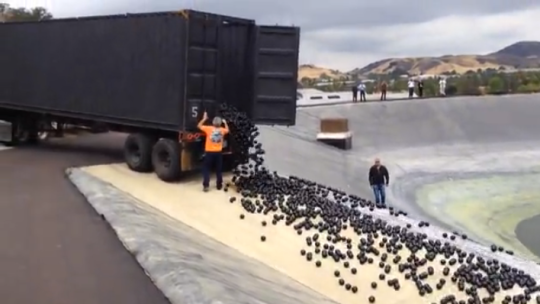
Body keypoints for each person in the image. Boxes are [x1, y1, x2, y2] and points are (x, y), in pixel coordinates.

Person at [197, 111, 229, 192]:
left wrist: (204, 119)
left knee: (206, 168)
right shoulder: (222, 130)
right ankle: (219, 185)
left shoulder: (209, 129)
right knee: (218, 169)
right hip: (218, 153)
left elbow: (199, 126)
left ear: (213, 122)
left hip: (209, 152)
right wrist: (225, 123)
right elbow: (228, 130)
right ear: (220, 123)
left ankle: (206, 185)